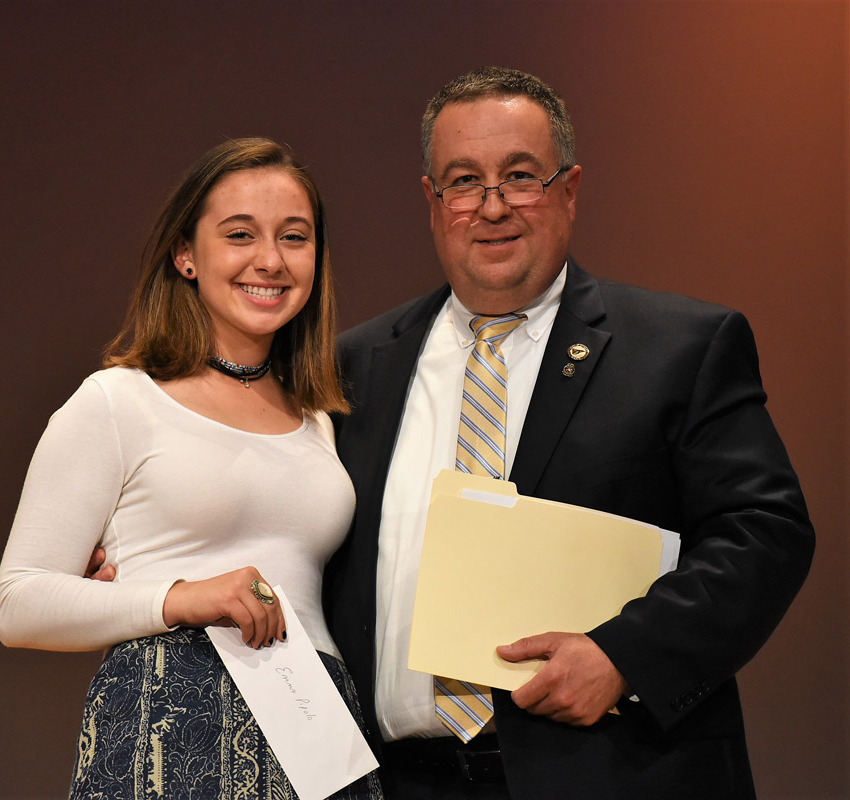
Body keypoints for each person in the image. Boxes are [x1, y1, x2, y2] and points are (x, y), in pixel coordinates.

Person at [323, 67, 815, 799]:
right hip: (400, 782)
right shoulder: (353, 367)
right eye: (463, 182)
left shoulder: (679, 347)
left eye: (520, 176)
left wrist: (625, 655)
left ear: (569, 189)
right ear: (430, 201)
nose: (491, 208)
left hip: (617, 773)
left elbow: (764, 532)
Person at [0, 138, 382, 800]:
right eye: (239, 235)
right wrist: (180, 597)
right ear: (185, 255)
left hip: (321, 741)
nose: (270, 260)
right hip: (169, 729)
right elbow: (19, 603)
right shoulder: (119, 400)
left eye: (295, 237)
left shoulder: (318, 419)